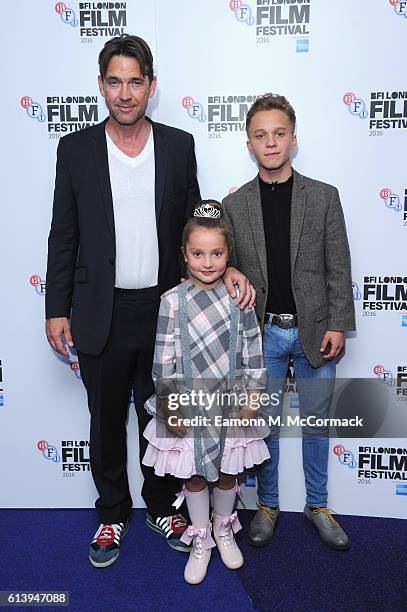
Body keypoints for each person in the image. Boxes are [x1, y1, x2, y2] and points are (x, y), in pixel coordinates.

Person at [45, 34, 254, 568]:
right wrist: (56, 307)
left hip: (167, 313)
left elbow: (199, 223)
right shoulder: (76, 150)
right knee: (105, 419)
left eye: (135, 81)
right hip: (100, 311)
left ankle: (165, 507)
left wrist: (225, 263)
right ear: (101, 86)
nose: (124, 92)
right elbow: (63, 235)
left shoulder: (179, 146)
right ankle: (113, 514)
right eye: (114, 81)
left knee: (166, 420)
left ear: (151, 86)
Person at [222, 94, 356, 551]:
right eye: (261, 135)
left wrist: (338, 323)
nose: (271, 142)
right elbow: (221, 263)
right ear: (249, 144)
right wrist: (230, 270)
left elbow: (338, 267)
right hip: (262, 335)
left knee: (318, 423)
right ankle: (268, 505)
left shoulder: (323, 197)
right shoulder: (234, 205)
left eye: (279, 133)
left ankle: (318, 505)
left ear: (293, 140)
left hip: (315, 330)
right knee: (265, 427)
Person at [142, 201, 270, 584]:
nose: (208, 262)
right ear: (184, 254)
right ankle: (201, 537)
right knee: (195, 475)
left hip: (230, 404)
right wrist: (171, 406)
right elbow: (162, 361)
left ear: (229, 254)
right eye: (198, 253)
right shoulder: (170, 301)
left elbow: (252, 349)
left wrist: (253, 396)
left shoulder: (239, 298)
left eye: (217, 253)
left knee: (228, 472)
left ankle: (223, 529)